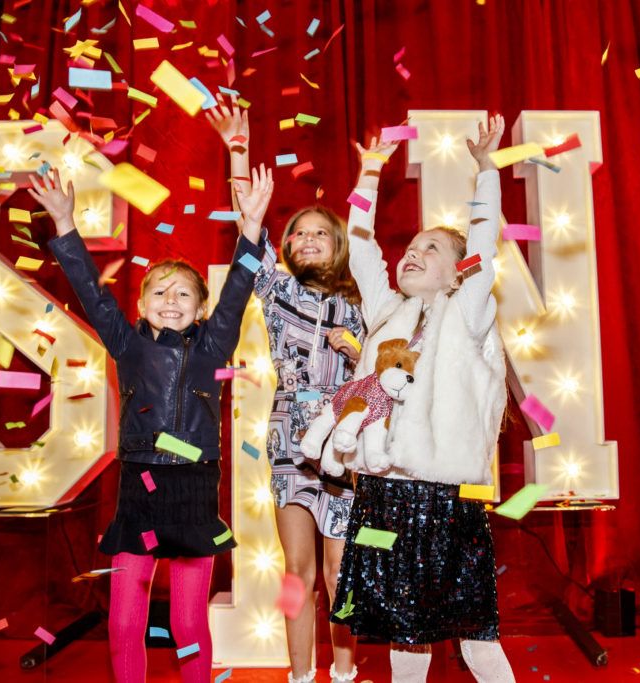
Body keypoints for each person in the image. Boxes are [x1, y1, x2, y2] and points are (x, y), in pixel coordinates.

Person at [32, 164, 274, 683]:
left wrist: (251, 229)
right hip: (139, 482)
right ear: (140, 306)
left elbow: (236, 292)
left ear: (202, 309)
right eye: (160, 293)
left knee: (189, 620)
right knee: (125, 616)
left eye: (184, 293)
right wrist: (64, 224)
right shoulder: (127, 343)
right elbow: (91, 293)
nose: (171, 300)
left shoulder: (214, 345)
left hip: (194, 486)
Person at [327, 115, 517, 683]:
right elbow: (362, 253)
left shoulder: (468, 313)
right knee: (401, 633)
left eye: (429, 249)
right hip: (382, 500)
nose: (412, 253)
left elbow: (481, 247)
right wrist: (368, 175)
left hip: (445, 504)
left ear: (457, 273)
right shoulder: (388, 314)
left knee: (475, 633)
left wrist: (487, 172)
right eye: (409, 247)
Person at [207, 97, 362, 683]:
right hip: (291, 438)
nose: (308, 238)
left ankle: (343, 673)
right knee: (297, 570)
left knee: (340, 568)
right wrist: (238, 153)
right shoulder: (277, 293)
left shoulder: (363, 298)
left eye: (322, 232)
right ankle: (301, 675)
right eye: (299, 233)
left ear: (339, 244)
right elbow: (250, 224)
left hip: (347, 444)